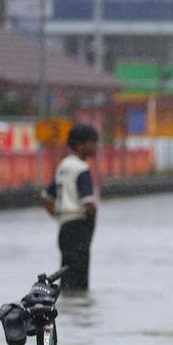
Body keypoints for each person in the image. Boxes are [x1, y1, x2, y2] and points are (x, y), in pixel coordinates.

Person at [40, 123, 99, 291]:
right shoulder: (82, 169)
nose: (96, 147)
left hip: (64, 229)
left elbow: (45, 199)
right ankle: (79, 315)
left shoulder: (63, 166)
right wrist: (91, 222)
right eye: (93, 142)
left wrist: (59, 216)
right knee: (79, 284)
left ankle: (68, 312)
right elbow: (88, 205)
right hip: (79, 228)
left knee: (66, 277)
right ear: (81, 145)